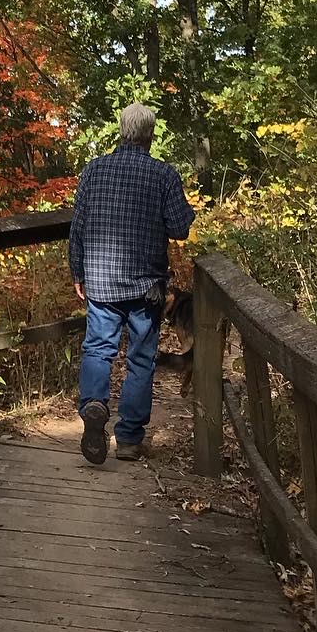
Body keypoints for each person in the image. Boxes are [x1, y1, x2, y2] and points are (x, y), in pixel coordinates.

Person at [69, 102, 195, 465]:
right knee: (141, 359)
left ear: (121, 131)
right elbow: (180, 228)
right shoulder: (163, 174)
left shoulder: (94, 170)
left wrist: (79, 272)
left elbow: (77, 227)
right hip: (145, 287)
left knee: (98, 349)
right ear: (150, 135)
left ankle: (94, 404)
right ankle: (128, 439)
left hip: (102, 281)